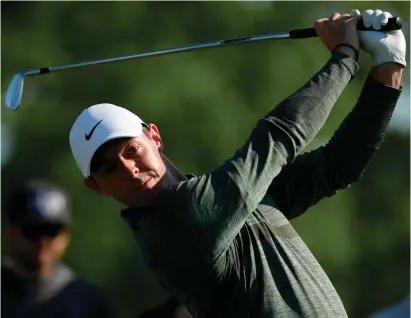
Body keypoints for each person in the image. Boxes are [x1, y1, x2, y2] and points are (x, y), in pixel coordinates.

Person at [68, 8, 406, 318]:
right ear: (95, 187)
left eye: (131, 150)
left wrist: (389, 64)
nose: (129, 169)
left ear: (153, 137)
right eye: (109, 168)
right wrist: (344, 56)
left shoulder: (225, 203)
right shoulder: (180, 219)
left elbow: (338, 165)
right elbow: (278, 136)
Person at [2, 180, 114, 318]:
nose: (42, 241)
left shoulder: (87, 303)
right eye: (31, 230)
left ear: (65, 236)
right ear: (10, 232)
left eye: (51, 231)